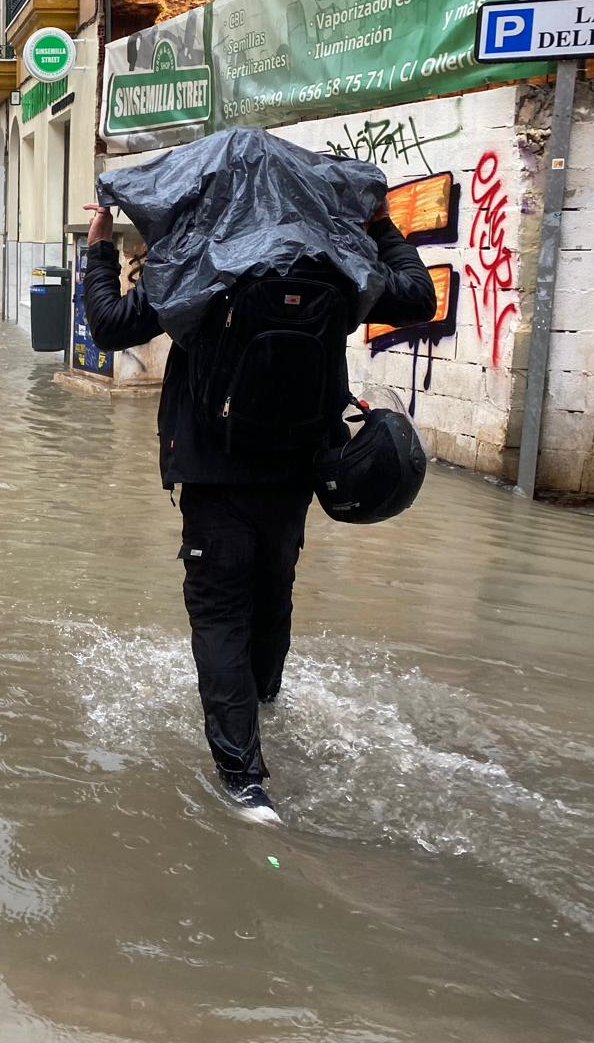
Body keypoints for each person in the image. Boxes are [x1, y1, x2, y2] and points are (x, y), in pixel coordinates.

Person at [81, 197, 435, 825]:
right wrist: (379, 224)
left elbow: (109, 325)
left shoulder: (199, 263)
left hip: (215, 475)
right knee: (274, 591)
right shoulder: (333, 261)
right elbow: (415, 297)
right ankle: (266, 704)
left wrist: (102, 247)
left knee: (219, 614)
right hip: (296, 470)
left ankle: (243, 781)